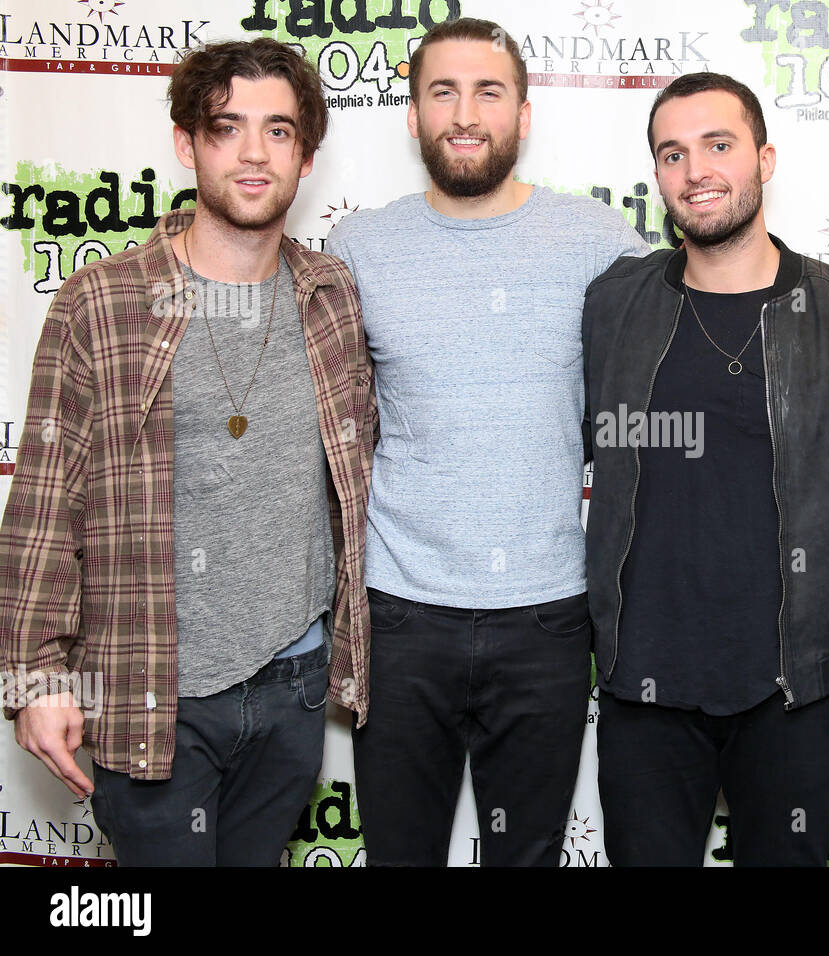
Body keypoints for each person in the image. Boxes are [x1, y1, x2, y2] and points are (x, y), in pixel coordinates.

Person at [0, 38, 375, 866]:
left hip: (294, 681)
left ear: (306, 157)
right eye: (226, 127)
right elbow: (43, 501)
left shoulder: (330, 297)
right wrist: (35, 674)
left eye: (277, 132)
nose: (252, 152)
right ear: (186, 143)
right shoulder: (104, 300)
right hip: (149, 689)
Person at [327, 18, 648, 867]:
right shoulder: (357, 249)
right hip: (398, 617)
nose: (465, 114)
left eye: (488, 92)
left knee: (527, 857)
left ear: (525, 113)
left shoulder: (603, 245)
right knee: (400, 854)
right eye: (443, 91)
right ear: (411, 114)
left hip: (546, 620)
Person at [582, 71, 829, 866]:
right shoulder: (613, 304)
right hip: (643, 687)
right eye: (673, 153)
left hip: (797, 691)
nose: (696, 171)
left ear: (764, 158)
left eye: (718, 146)